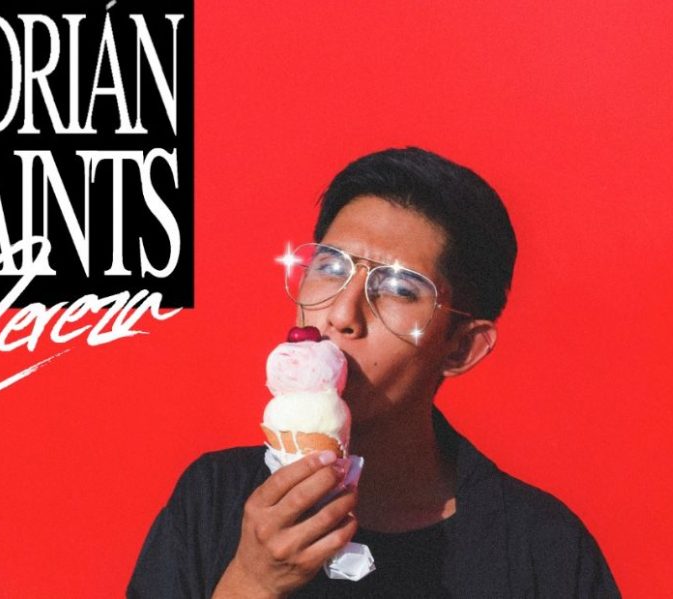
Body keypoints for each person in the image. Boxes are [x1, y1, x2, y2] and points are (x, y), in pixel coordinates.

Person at [127, 148, 620, 598]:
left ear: (461, 347)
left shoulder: (543, 550)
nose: (342, 314)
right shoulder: (214, 499)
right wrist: (252, 582)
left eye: (399, 290)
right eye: (329, 267)